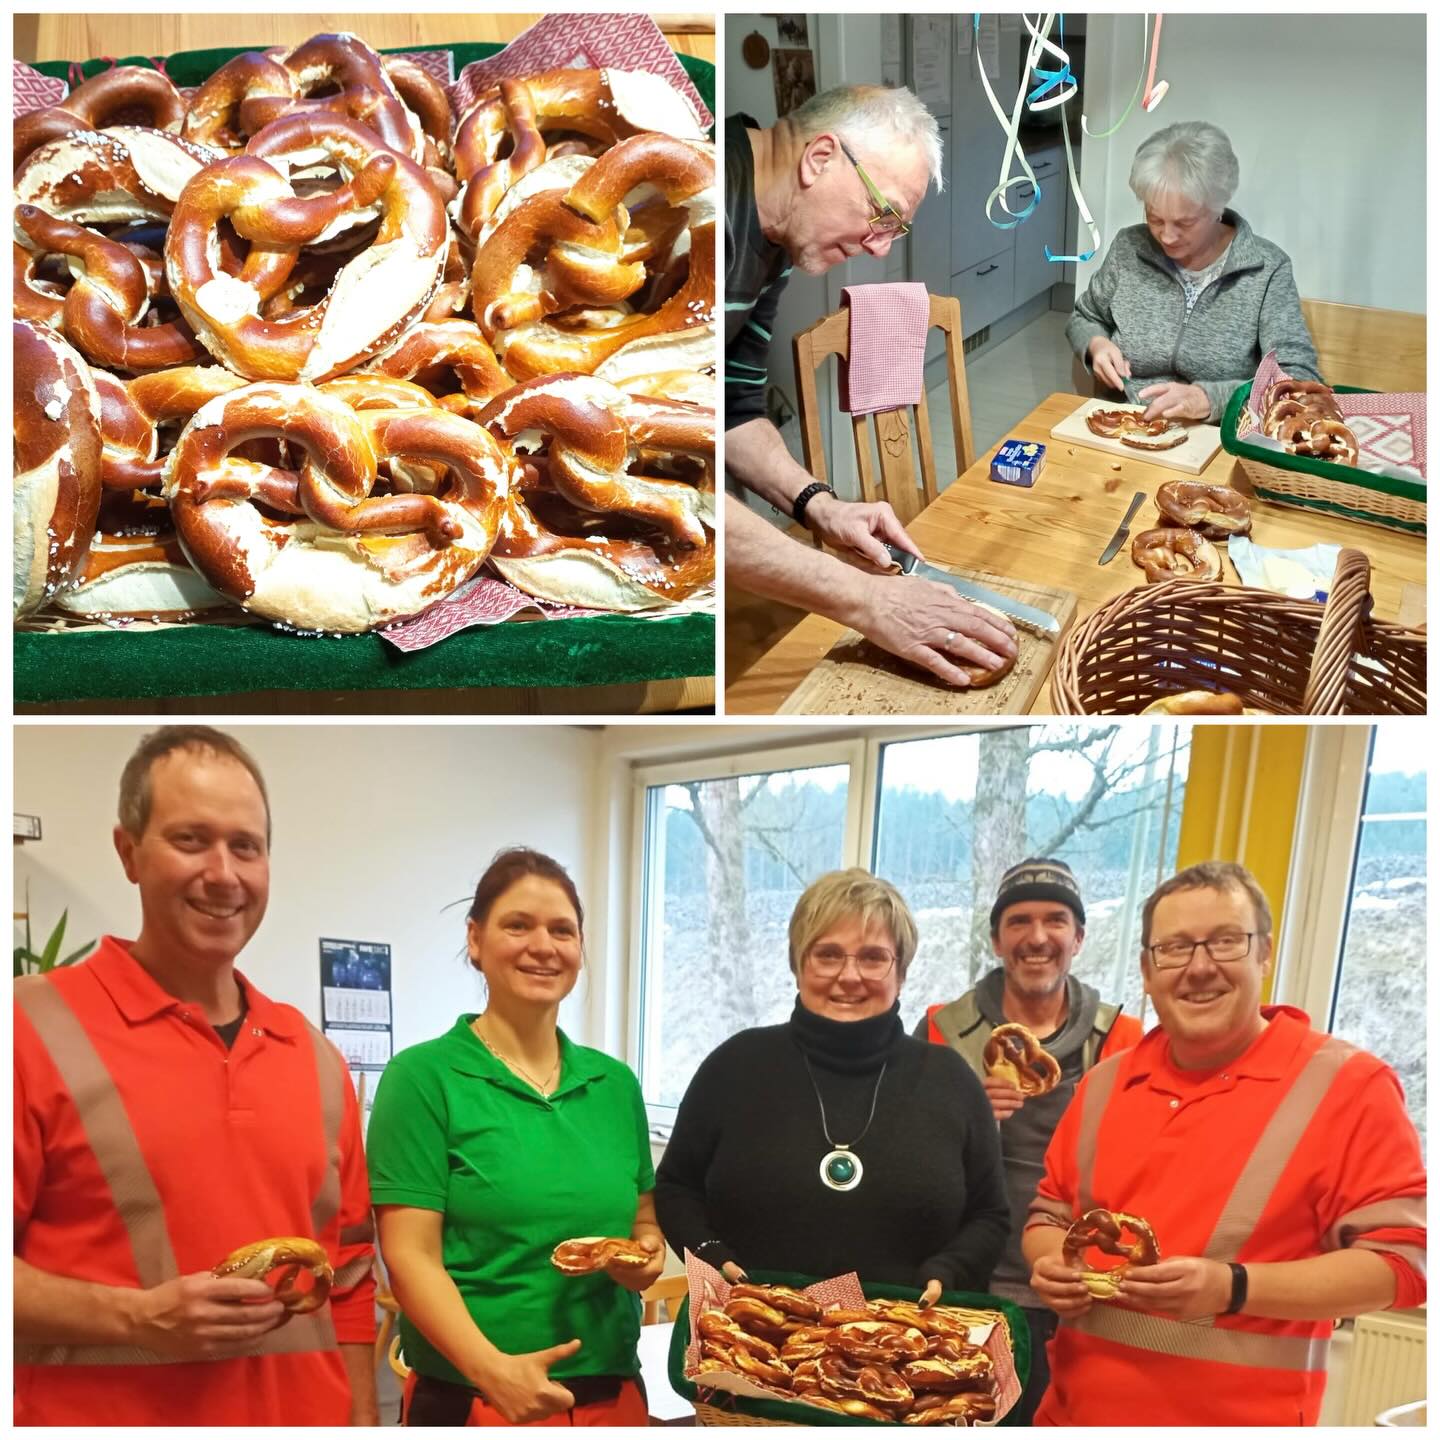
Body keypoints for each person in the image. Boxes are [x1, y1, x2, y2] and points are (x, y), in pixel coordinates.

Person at [14, 725, 378, 1426]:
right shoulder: (29, 1032)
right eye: (190, 840)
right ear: (129, 852)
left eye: (246, 846)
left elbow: (351, 1280)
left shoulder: (317, 1060)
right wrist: (135, 1318)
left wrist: (362, 1420)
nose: (224, 873)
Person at [1023, 862, 1426, 1426]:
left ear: (1264, 954)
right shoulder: (1103, 1085)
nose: (1200, 967)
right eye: (1175, 948)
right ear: (1146, 968)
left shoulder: (1349, 1087)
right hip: (1071, 1418)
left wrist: (1233, 1287)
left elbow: (1401, 1267)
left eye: (1226, 942)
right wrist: (1049, 1268)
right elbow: (1049, 1217)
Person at [726, 85, 1017, 689]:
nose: (879, 248)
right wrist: (867, 602)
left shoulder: (773, 239)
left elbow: (731, 410)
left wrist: (819, 505)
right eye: (882, 215)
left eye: (896, 230)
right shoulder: (710, 214)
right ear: (821, 158)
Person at [367, 848, 663, 1427]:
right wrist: (492, 1370)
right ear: (475, 940)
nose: (543, 946)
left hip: (611, 1396)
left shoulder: (614, 1084)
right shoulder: (424, 1078)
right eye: (518, 925)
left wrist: (644, 1257)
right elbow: (410, 1256)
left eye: (562, 930)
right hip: (475, 1400)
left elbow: (643, 1221)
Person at [655, 869, 1009, 1301]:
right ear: (798, 964)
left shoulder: (951, 1080)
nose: (849, 975)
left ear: (901, 971)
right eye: (828, 955)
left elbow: (990, 1215)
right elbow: (676, 1188)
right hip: (750, 1336)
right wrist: (711, 1254)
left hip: (903, 1344)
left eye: (873, 957)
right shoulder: (734, 1067)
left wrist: (950, 1269)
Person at [916, 858, 1142, 1424]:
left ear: (1079, 937)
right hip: (966, 1287)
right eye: (1018, 921)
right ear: (996, 937)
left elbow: (1141, 1166)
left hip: (1078, 1294)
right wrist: (964, 1117)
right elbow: (907, 1157)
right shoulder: (944, 1028)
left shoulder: (1123, 1038)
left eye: (1056, 920)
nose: (1037, 937)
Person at [1067, 121, 1322, 424]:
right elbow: (1085, 316)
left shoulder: (1267, 269)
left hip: (1220, 436)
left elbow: (1298, 379)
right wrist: (1095, 344)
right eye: (1155, 218)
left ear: (1218, 207)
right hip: (1128, 421)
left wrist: (1210, 400)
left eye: (1184, 223)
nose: (1167, 236)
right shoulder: (1129, 248)